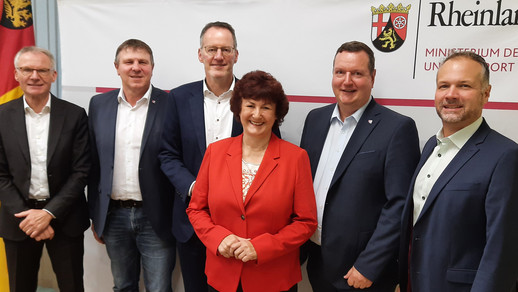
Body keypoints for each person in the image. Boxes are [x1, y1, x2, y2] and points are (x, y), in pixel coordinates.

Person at [159, 21, 275, 291]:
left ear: (236, 55)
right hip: (191, 223)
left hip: (242, 226)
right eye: (211, 49)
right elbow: (167, 154)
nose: (218, 56)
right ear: (200, 54)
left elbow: (269, 151)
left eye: (225, 49)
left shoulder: (255, 99)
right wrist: (195, 188)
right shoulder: (177, 97)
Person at [300, 41, 420, 291]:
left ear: (372, 77)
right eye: (340, 72)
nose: (347, 81)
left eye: (357, 73)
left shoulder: (397, 128)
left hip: (361, 271)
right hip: (317, 260)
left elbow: (399, 205)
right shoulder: (315, 119)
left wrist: (369, 265)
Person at [186, 70, 317, 292]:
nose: (257, 114)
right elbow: (196, 209)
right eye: (250, 105)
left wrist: (261, 247)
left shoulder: (296, 158)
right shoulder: (215, 152)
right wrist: (219, 238)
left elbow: (306, 222)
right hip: (223, 276)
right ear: (238, 109)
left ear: (277, 114)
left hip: (273, 278)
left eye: (266, 107)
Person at [398, 52, 518, 291]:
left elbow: (501, 251)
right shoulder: (431, 146)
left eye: (464, 86)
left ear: (486, 93)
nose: (451, 94)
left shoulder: (505, 156)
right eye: (444, 86)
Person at [88, 39, 175, 292]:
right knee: (123, 286)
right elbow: (94, 164)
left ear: (152, 67)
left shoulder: (171, 104)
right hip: (114, 215)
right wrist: (96, 212)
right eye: (129, 62)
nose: (136, 68)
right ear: (117, 67)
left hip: (156, 217)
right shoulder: (99, 105)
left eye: (142, 62)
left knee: (159, 288)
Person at [0, 46, 90, 292]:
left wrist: (48, 213)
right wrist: (29, 217)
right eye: (27, 69)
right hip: (19, 220)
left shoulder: (75, 115)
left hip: (66, 217)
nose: (34, 76)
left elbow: (81, 171)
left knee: (72, 287)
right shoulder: (2, 116)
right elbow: (1, 175)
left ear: (54, 75)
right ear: (16, 74)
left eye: (42, 70)